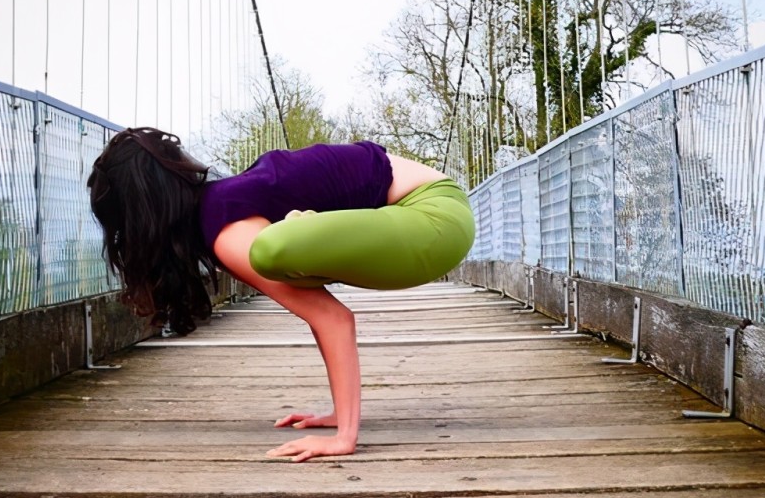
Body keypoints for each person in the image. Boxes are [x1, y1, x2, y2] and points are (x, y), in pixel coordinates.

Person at [87, 128, 475, 462]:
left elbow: (333, 318)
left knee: (270, 252)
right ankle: (301, 231)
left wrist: (344, 439)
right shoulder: (224, 204)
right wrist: (339, 414)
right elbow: (323, 314)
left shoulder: (224, 228)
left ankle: (298, 231)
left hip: (432, 217)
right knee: (276, 254)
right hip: (430, 219)